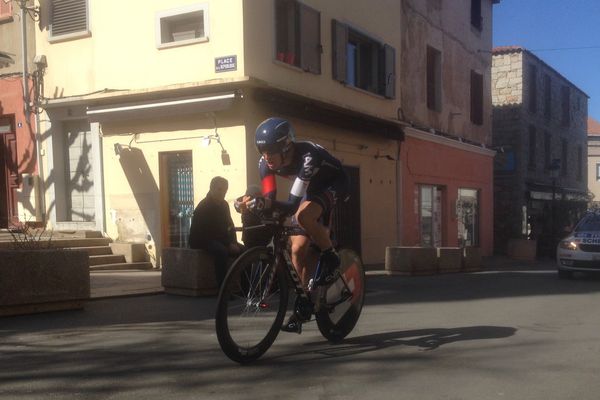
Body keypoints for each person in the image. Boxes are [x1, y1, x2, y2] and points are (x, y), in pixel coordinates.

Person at [237, 117, 349, 334]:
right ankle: (303, 303)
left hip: (335, 182)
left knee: (304, 216)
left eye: (271, 151)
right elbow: (270, 198)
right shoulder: (265, 164)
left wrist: (266, 204)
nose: (266, 157)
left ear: (286, 148)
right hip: (312, 188)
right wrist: (250, 204)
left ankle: (331, 256)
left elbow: (290, 205)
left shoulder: (308, 157)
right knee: (297, 249)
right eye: (262, 151)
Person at [188, 176, 244, 288]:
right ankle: (223, 288)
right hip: (202, 239)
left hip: (219, 239)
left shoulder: (224, 205)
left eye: (224, 190)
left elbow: (230, 225)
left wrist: (233, 242)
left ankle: (246, 289)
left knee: (245, 252)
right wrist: (228, 244)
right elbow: (208, 232)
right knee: (221, 252)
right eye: (219, 189)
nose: (222, 193)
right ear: (211, 189)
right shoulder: (204, 206)